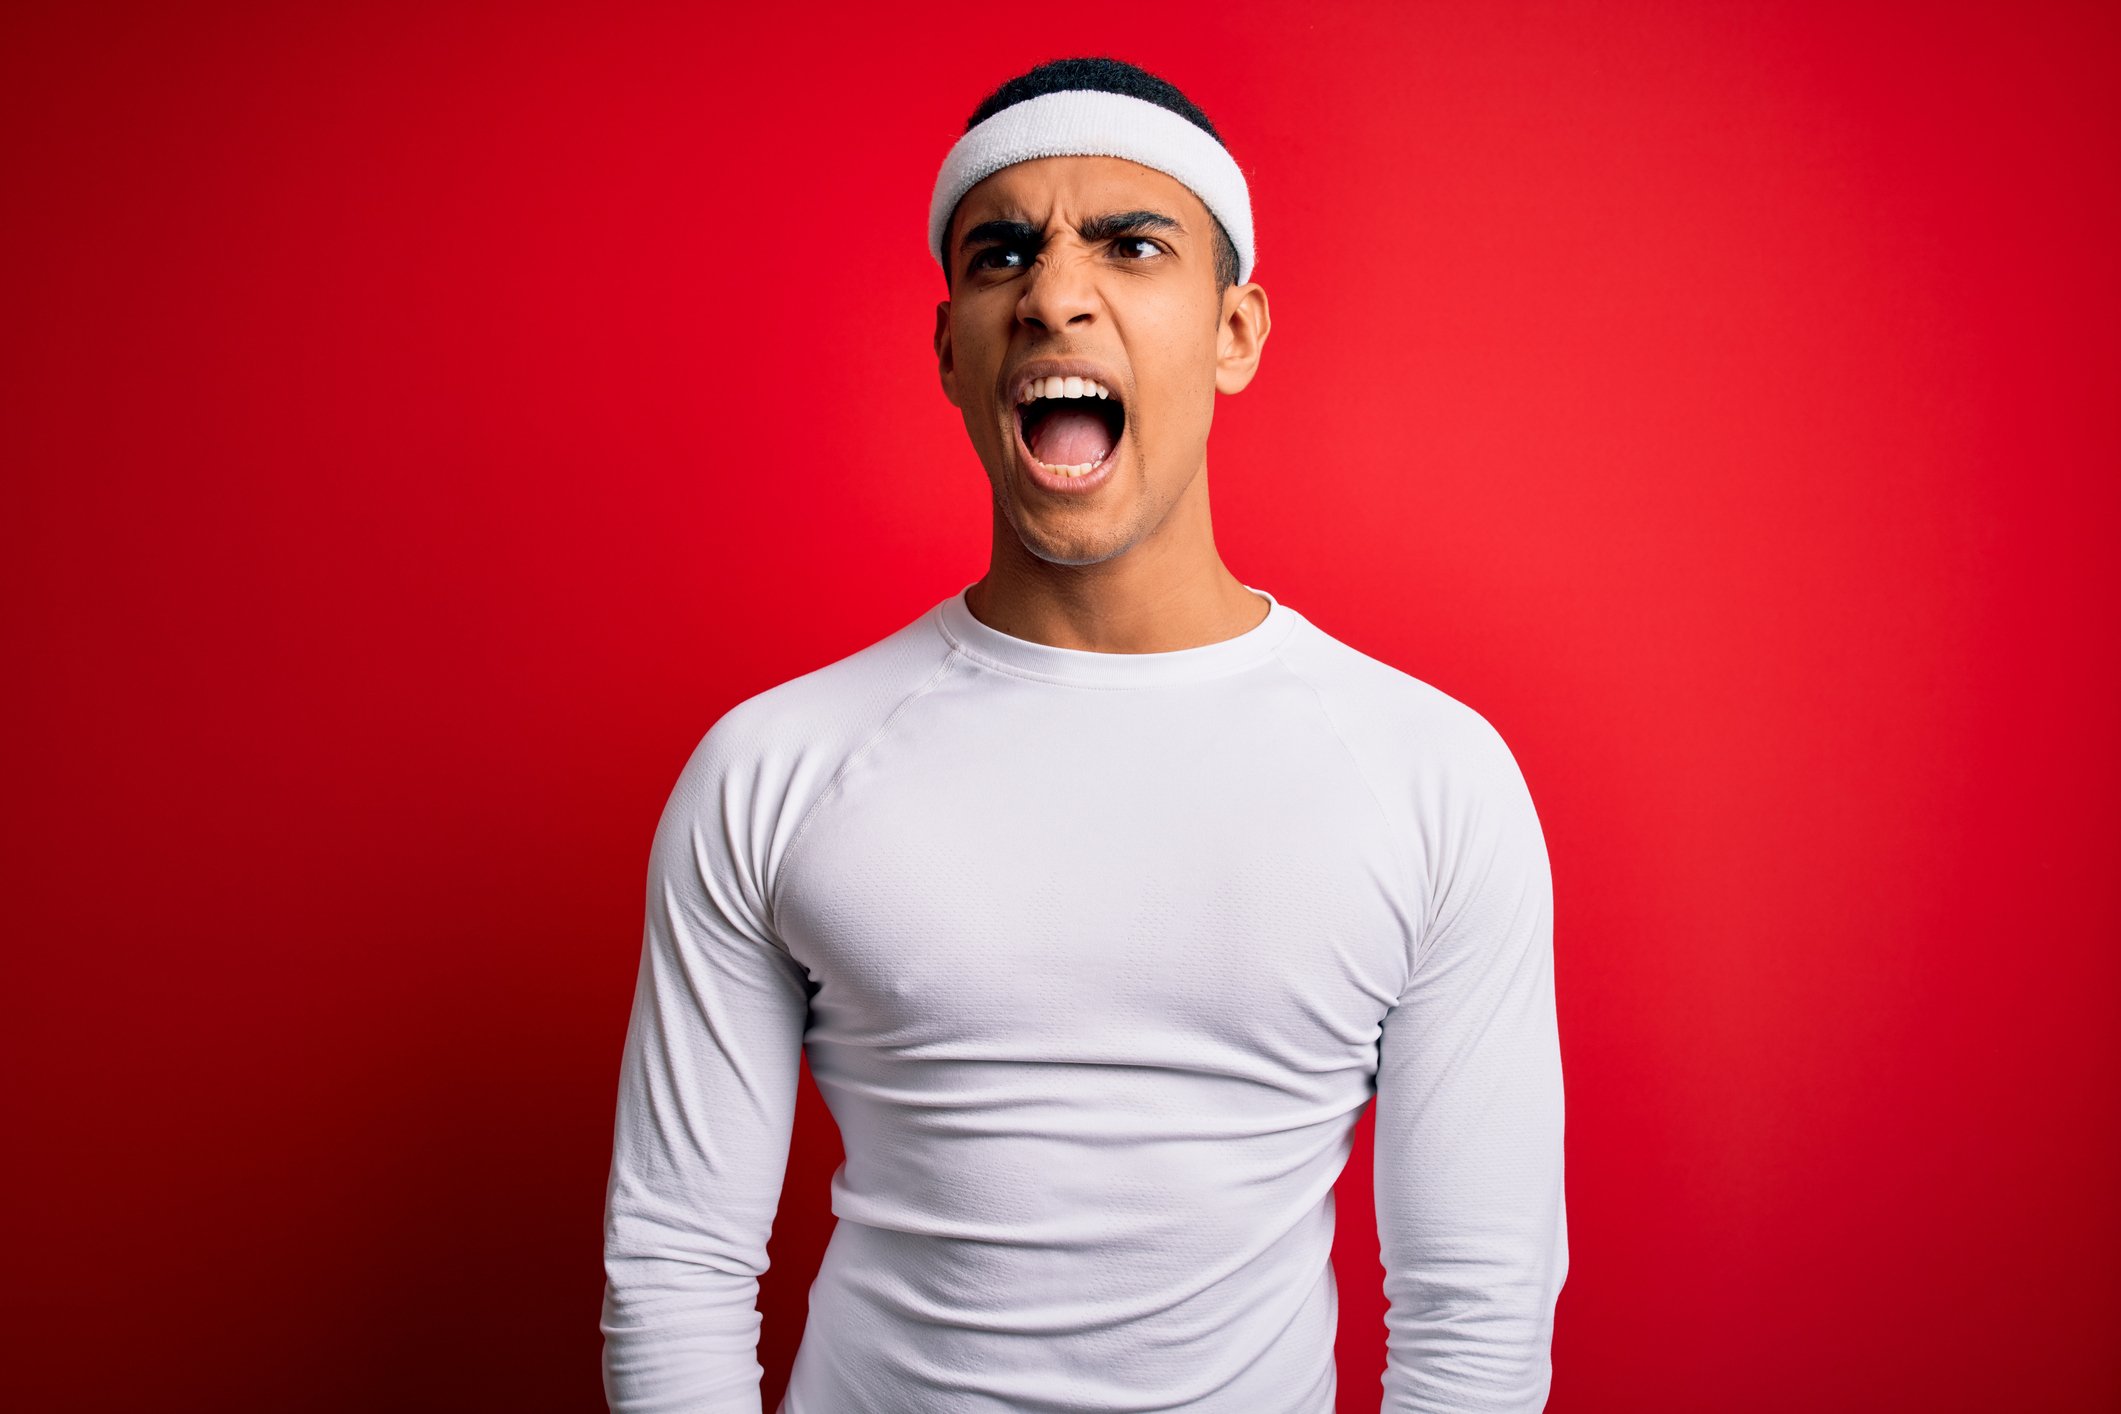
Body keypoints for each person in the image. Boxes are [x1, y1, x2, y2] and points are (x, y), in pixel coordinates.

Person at [599, 55, 1568, 1414]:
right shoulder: (770, 769)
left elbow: (1476, 1302)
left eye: (1131, 244)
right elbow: (676, 1264)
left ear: (1233, 332)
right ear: (952, 351)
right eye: (1003, 253)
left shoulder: (1432, 777)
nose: (1055, 292)